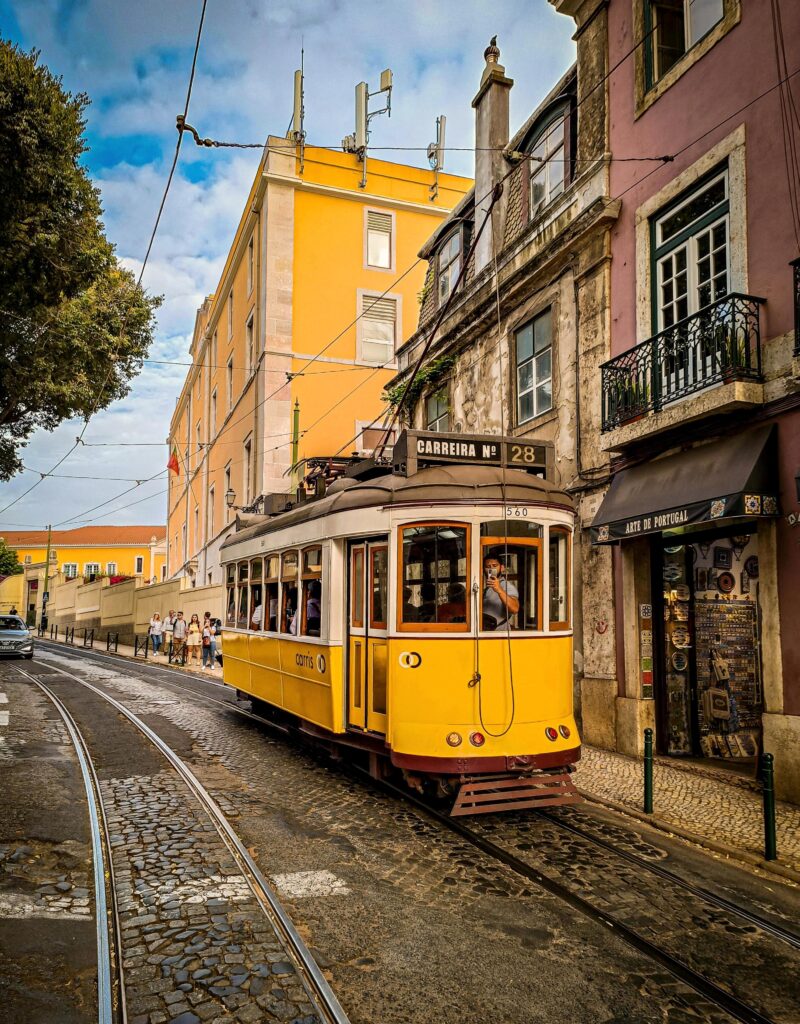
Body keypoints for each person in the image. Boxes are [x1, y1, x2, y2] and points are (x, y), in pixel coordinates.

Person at [482, 555, 519, 630]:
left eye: (494, 566)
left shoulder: (507, 586)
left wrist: (499, 590)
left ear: (502, 568)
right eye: (488, 566)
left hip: (499, 634)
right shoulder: (487, 588)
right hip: (486, 633)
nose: (491, 569)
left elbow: (515, 609)